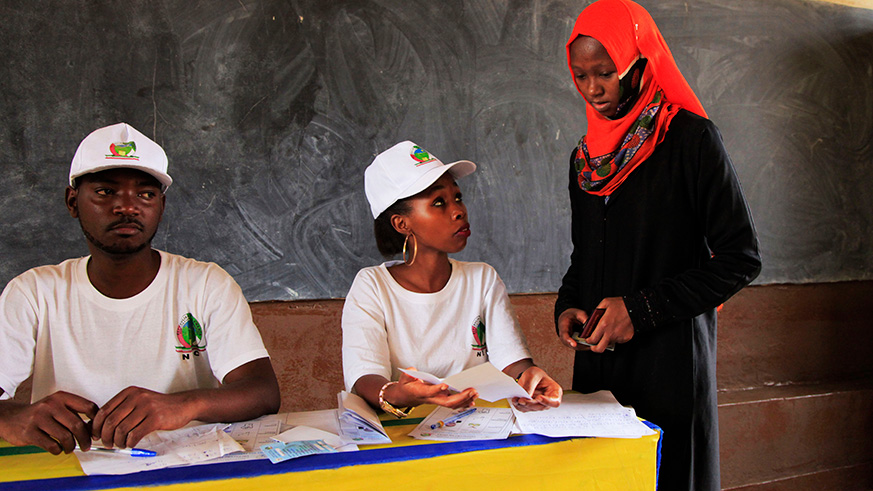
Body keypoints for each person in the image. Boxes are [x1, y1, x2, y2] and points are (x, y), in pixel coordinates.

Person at [554, 1, 761, 489]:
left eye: (605, 73)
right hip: (601, 363)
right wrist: (568, 304)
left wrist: (639, 310)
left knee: (669, 477)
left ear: (639, 63)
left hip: (671, 362)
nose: (592, 89)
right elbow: (586, 254)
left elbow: (740, 259)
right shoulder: (585, 161)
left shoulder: (690, 140)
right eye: (580, 75)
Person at [0, 123, 280, 455]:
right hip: (72, 470)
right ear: (72, 202)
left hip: (184, 468)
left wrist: (181, 405)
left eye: (145, 194)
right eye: (106, 192)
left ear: (161, 206)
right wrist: (9, 418)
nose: (127, 207)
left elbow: (263, 391)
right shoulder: (34, 292)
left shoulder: (205, 284)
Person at [342, 141, 563, 417]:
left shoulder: (482, 279)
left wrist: (532, 379)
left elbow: (513, 365)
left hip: (479, 427)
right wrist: (402, 393)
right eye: (438, 203)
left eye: (457, 198)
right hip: (403, 433)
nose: (459, 211)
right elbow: (365, 378)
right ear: (402, 224)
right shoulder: (372, 286)